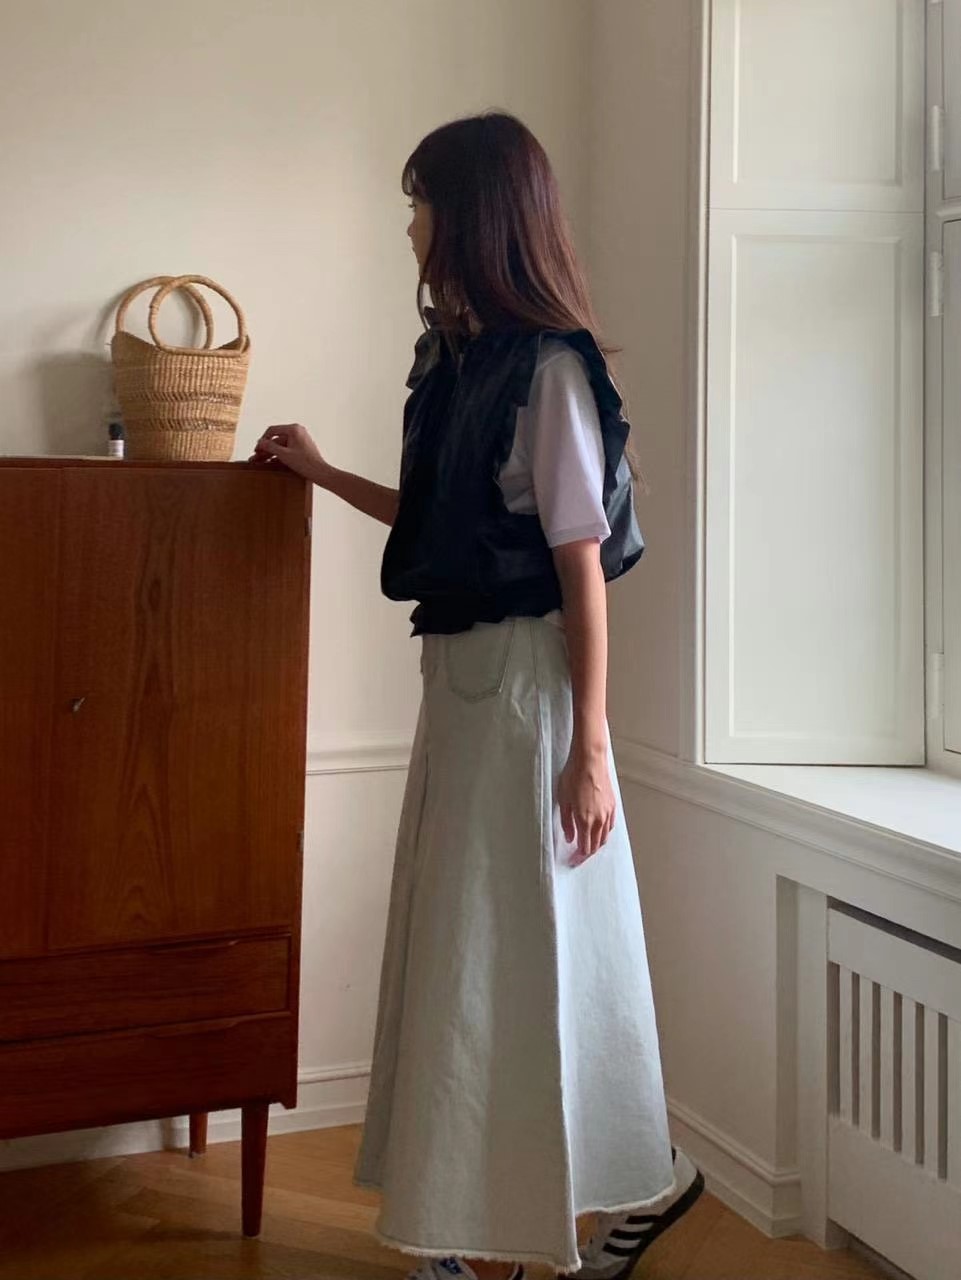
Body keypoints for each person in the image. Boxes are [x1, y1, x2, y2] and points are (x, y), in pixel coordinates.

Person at [253, 111, 703, 1280]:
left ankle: (599, 1193)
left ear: (471, 216)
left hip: (525, 694)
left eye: (420, 203)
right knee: (466, 948)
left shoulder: (549, 370)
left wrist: (589, 747)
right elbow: (439, 525)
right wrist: (318, 472)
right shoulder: (458, 365)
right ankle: (479, 1215)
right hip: (461, 687)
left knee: (522, 949)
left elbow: (578, 567)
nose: (410, 226)